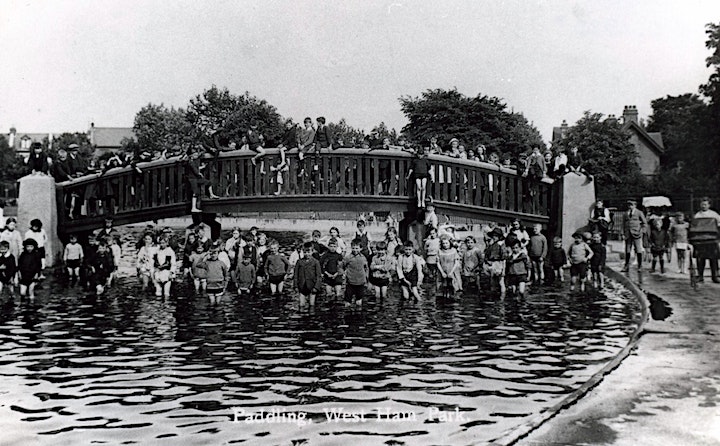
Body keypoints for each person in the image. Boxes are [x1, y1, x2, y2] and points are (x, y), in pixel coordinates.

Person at [692, 197, 720, 283]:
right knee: (700, 259)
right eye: (702, 204)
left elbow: (719, 226)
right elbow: (694, 228)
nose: (703, 206)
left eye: (705, 204)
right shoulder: (697, 215)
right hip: (700, 241)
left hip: (711, 240)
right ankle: (700, 276)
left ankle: (715, 276)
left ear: (709, 205)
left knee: (714, 259)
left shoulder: (714, 215)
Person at [294, 242, 322, 311]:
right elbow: (295, 275)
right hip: (302, 286)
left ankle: (311, 318)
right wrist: (295, 286)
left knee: (312, 305)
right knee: (301, 305)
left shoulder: (316, 262)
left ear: (312, 251)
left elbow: (319, 276)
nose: (307, 254)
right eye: (305, 252)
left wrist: (316, 287)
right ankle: (302, 319)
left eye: (308, 252)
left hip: (312, 286)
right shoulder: (299, 262)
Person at [621, 199, 647, 272]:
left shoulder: (639, 213)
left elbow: (645, 223)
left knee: (638, 249)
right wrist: (622, 233)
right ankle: (626, 266)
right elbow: (623, 224)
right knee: (627, 250)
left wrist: (642, 231)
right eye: (629, 205)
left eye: (631, 205)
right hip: (628, 234)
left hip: (637, 234)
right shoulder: (625, 213)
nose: (630, 206)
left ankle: (640, 266)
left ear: (635, 205)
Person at [343, 238, 369, 308]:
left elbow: (366, 268)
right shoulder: (348, 258)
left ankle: (358, 316)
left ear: (361, 248)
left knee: (359, 301)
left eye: (357, 248)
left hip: (360, 282)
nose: (355, 250)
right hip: (350, 282)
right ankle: (347, 316)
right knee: (347, 301)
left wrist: (366, 279)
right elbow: (342, 266)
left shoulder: (363, 258)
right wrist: (344, 274)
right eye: (353, 248)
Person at [484, 228, 507, 299]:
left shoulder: (501, 244)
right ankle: (493, 295)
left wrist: (503, 269)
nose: (494, 237)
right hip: (491, 263)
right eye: (493, 235)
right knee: (492, 281)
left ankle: (502, 296)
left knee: (501, 282)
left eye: (496, 236)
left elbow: (504, 258)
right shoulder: (491, 245)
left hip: (499, 263)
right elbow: (486, 255)